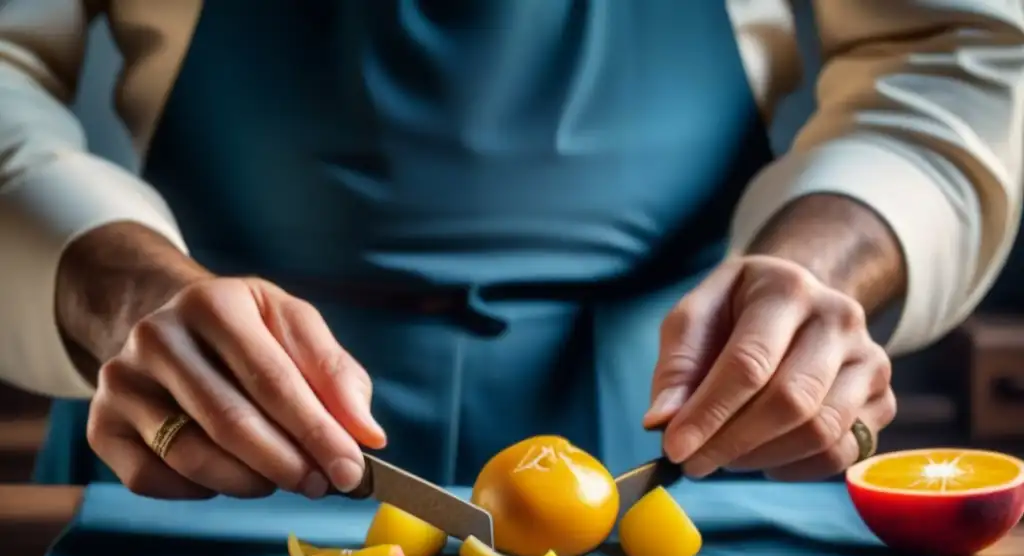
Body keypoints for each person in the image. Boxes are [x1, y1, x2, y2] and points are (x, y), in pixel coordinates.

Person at [1, 1, 1021, 500]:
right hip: (194, 428)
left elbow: (951, 46)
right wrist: (118, 290)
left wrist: (819, 267)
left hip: (691, 437)